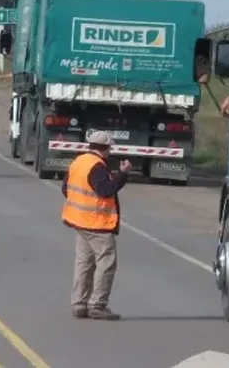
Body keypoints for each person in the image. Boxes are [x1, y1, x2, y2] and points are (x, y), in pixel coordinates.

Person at [62, 131, 132, 321]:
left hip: (80, 221)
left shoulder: (79, 162)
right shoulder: (98, 167)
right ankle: (97, 305)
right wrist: (123, 174)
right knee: (106, 263)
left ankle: (79, 303)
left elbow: (65, 188)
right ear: (107, 149)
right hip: (97, 223)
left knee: (84, 263)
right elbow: (105, 190)